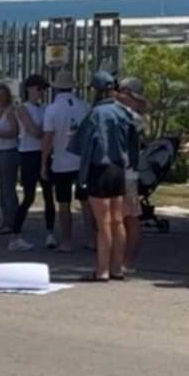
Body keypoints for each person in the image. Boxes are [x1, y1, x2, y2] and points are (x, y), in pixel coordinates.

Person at [72, 70, 137, 282]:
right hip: (119, 169)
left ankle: (102, 270)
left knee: (103, 223)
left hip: (99, 169)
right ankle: (117, 268)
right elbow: (135, 141)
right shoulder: (123, 112)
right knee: (118, 220)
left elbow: (82, 146)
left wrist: (81, 178)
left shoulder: (95, 114)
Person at [40, 70, 88, 252]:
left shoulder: (52, 109)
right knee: (86, 201)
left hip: (61, 161)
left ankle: (67, 241)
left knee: (64, 202)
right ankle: (92, 238)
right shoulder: (84, 106)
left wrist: (43, 163)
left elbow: (47, 138)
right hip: (82, 160)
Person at [8, 74, 51, 251]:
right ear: (30, 89)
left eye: (44, 89)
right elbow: (35, 132)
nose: (41, 92)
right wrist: (47, 126)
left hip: (44, 152)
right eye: (39, 88)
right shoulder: (22, 108)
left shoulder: (45, 108)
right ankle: (15, 236)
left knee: (49, 194)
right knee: (29, 196)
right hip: (28, 153)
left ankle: (50, 233)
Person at [117, 75, 149, 274]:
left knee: (130, 217)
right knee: (122, 217)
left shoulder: (133, 117)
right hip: (123, 171)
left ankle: (128, 261)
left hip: (128, 173)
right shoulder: (131, 114)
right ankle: (121, 259)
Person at [0, 83, 19, 234]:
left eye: (3, 96)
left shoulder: (10, 111)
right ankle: (5, 221)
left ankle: (12, 222)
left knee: (8, 188)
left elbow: (14, 131)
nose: (0, 99)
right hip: (0, 151)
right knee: (2, 188)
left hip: (9, 151)